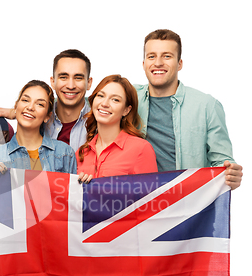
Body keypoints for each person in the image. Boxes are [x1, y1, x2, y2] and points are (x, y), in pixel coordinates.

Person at [136, 29, 243, 189]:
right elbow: (94, 104)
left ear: (179, 64)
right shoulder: (127, 98)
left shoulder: (207, 105)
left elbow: (222, 161)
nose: (158, 62)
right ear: (144, 64)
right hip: (141, 202)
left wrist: (231, 174)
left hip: (188, 202)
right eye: (151, 56)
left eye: (167, 56)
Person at [0, 49, 92, 151]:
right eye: (63, 77)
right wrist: (18, 111)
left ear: (89, 83)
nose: (71, 86)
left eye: (78, 78)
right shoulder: (40, 114)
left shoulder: (98, 120)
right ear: (53, 82)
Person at [77, 75, 157, 183]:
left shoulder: (141, 149)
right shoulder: (81, 153)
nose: (104, 104)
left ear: (126, 110)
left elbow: (150, 197)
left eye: (115, 100)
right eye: (100, 96)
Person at [0, 80, 77, 174]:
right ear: (16, 106)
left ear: (47, 116)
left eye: (40, 104)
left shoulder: (65, 153)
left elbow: (73, 188)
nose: (30, 107)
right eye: (25, 100)